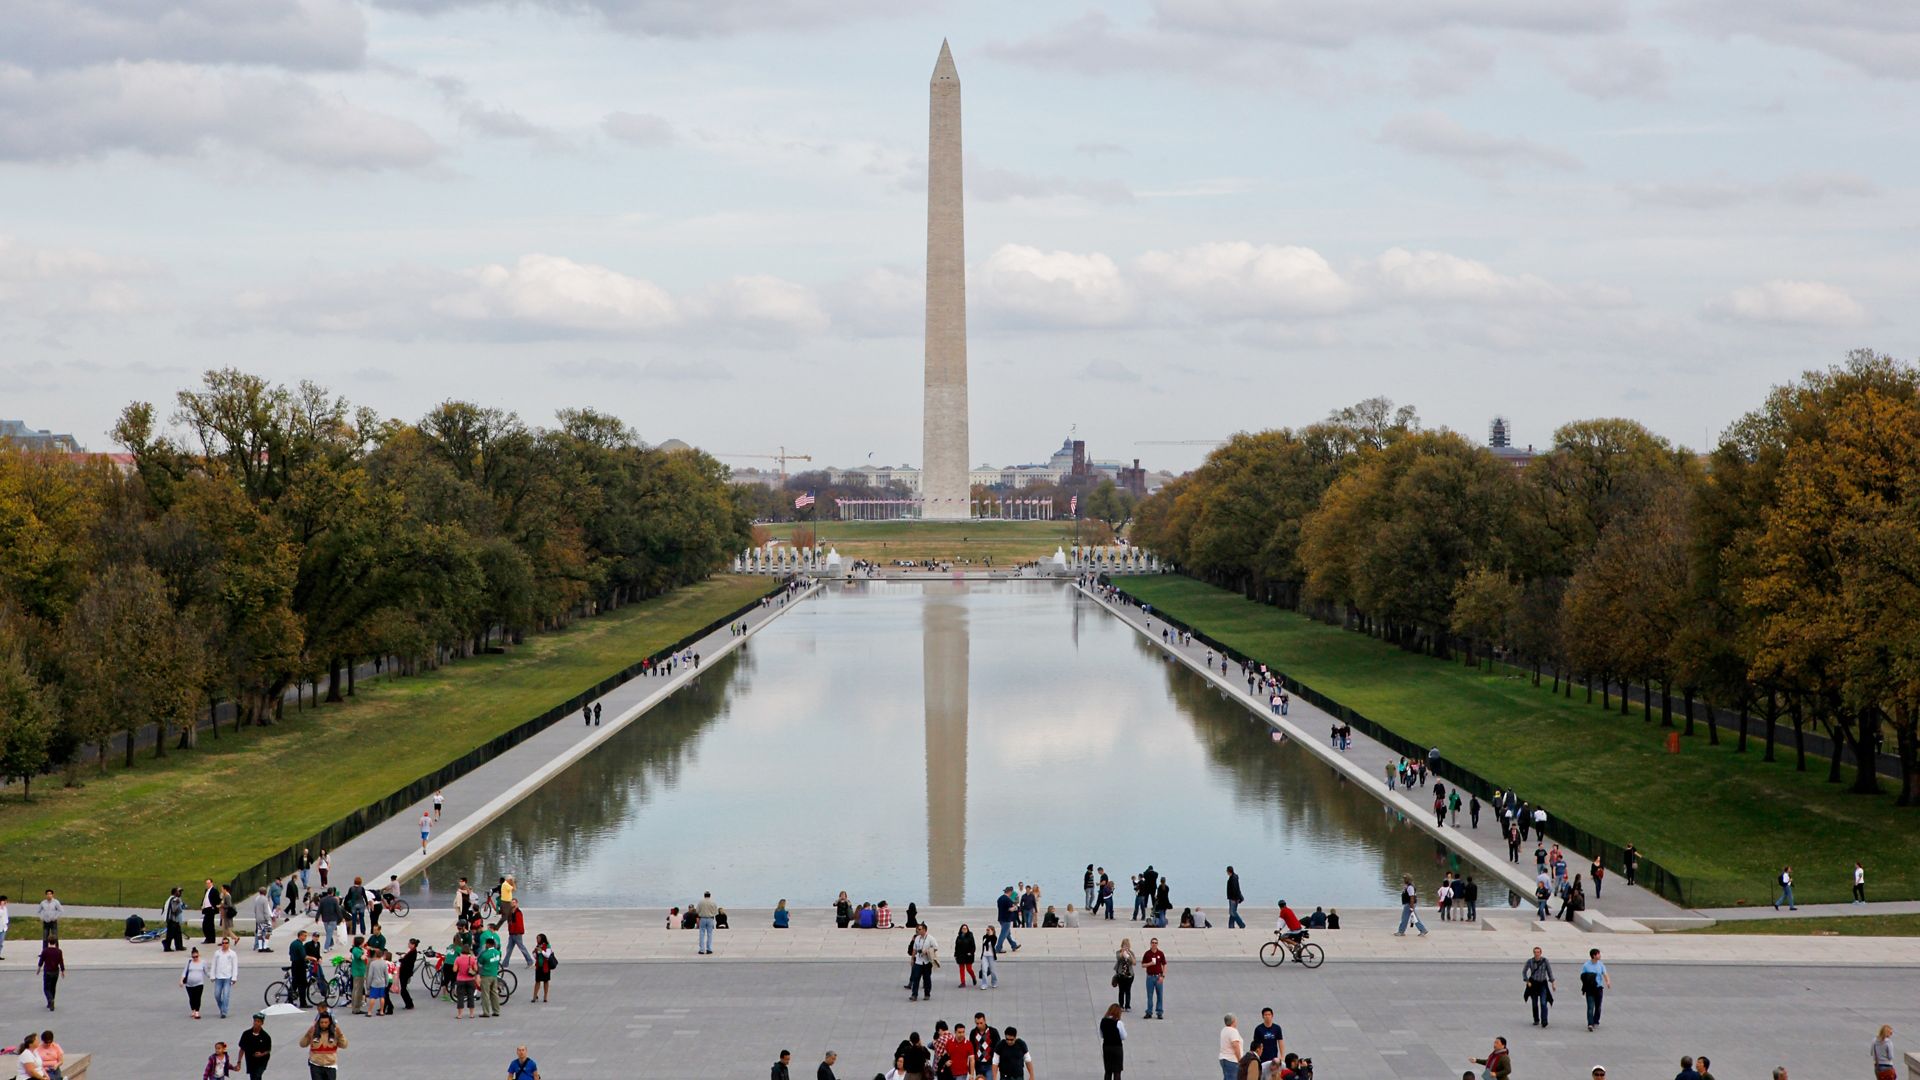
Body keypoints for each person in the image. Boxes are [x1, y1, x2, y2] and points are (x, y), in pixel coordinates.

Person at [298, 1010, 346, 1080]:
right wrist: (307, 1034)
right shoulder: (313, 1032)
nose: (323, 1024)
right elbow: (302, 1044)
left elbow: (344, 1045)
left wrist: (340, 1035)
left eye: (326, 1022)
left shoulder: (335, 1033)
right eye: (321, 1022)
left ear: (329, 1023)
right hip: (316, 1065)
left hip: (330, 1065)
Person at [1522, 947, 1554, 1027]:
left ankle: (1544, 1021)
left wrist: (1553, 982)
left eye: (1538, 952)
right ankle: (1536, 1019)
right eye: (1535, 952)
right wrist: (1527, 981)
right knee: (1534, 1003)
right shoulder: (1530, 961)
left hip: (1542, 984)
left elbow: (1549, 971)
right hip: (1533, 984)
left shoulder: (1545, 961)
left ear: (1541, 953)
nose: (1537, 954)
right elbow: (1524, 971)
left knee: (1543, 1003)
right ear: (1533, 953)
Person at [1581, 947, 1612, 1030]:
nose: (1600, 955)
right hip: (1590, 989)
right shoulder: (1586, 965)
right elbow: (1582, 976)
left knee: (1598, 1006)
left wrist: (1607, 981)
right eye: (1598, 954)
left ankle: (1596, 1021)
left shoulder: (1600, 964)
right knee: (1590, 1006)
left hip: (1598, 988)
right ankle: (1590, 1024)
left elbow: (1605, 974)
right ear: (1594, 956)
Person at [211, 937, 240, 1019]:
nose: (224, 944)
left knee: (226, 995)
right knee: (217, 995)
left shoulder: (232, 954)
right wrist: (212, 976)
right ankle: (222, 1008)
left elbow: (235, 966)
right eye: (223, 943)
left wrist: (234, 977)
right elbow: (213, 965)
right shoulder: (217, 953)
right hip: (218, 977)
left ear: (228, 944)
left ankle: (224, 1012)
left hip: (228, 977)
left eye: (226, 943)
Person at [1251, 1008, 1284, 1078]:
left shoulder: (1277, 1028)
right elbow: (1255, 1045)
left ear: (1272, 1016)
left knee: (1274, 1075)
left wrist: (1282, 1055)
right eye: (1265, 1015)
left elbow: (1280, 1042)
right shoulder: (1258, 1029)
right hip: (1262, 1057)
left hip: (1273, 1058)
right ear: (1263, 1016)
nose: (1267, 1016)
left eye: (1269, 1014)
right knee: (1262, 1075)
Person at [238, 1012, 272, 1080]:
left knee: (256, 1076)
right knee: (254, 1077)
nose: (256, 1023)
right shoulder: (246, 1034)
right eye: (255, 1021)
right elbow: (242, 1049)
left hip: (262, 1061)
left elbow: (268, 1050)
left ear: (262, 1023)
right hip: (250, 1060)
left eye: (258, 1021)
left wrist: (261, 1054)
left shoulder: (266, 1036)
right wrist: (239, 1062)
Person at [909, 923, 937, 1001]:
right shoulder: (917, 938)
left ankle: (927, 994)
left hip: (927, 962)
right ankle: (914, 995)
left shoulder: (930, 938)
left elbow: (935, 947)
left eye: (920, 929)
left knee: (927, 978)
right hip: (918, 961)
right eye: (918, 929)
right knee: (916, 978)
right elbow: (914, 949)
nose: (918, 930)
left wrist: (927, 951)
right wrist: (912, 959)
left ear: (924, 930)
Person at [479, 932, 504, 1018]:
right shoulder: (497, 953)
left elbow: (480, 963)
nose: (485, 945)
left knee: (485, 994)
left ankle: (486, 1012)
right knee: (494, 993)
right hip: (494, 975)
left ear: (489, 944)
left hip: (486, 975)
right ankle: (496, 1010)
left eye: (486, 943)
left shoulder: (485, 954)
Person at [181, 946, 210, 1018]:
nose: (195, 958)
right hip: (189, 984)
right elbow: (185, 972)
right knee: (191, 998)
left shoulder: (203, 962)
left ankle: (197, 1011)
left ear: (198, 955)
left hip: (199, 983)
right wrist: (181, 980)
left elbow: (206, 972)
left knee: (198, 997)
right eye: (193, 957)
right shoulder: (189, 962)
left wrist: (212, 977)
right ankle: (193, 1010)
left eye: (196, 956)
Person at [1141, 937, 1166, 1020]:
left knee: (1159, 995)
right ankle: (1149, 1012)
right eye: (1153, 942)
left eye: (1155, 943)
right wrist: (1150, 963)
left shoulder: (1160, 953)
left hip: (1158, 976)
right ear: (1150, 944)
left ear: (1157, 944)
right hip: (1150, 977)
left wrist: (1163, 976)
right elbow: (1143, 965)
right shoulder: (1147, 954)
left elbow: (1164, 964)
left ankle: (1159, 1012)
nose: (1154, 944)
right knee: (1150, 995)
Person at [1099, 1004, 1126, 1080]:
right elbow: (1124, 1036)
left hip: (1106, 1047)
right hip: (1117, 1048)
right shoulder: (1118, 1023)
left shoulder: (1103, 1021)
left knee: (1108, 1070)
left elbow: (1101, 1035)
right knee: (1117, 1071)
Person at [1218, 1015, 1244, 1080]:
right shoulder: (1233, 1031)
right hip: (1232, 1060)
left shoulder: (1224, 1030)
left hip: (1224, 1059)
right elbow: (1235, 1045)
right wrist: (1240, 1060)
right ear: (1233, 1021)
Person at [531, 933, 556, 1002]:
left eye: (538, 938)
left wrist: (541, 950)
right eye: (537, 938)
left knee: (545, 981)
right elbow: (536, 957)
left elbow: (547, 955)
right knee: (537, 981)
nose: (537, 940)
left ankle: (545, 997)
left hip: (546, 967)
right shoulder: (538, 946)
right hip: (539, 966)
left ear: (542, 939)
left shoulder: (547, 946)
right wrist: (534, 953)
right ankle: (534, 996)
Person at [995, 887, 1021, 954]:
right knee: (1003, 934)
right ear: (1010, 892)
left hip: (1001, 918)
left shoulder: (1000, 898)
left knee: (1007, 934)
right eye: (1011, 892)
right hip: (1006, 919)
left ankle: (1013, 945)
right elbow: (1010, 909)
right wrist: (1015, 908)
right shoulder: (1008, 900)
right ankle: (998, 948)